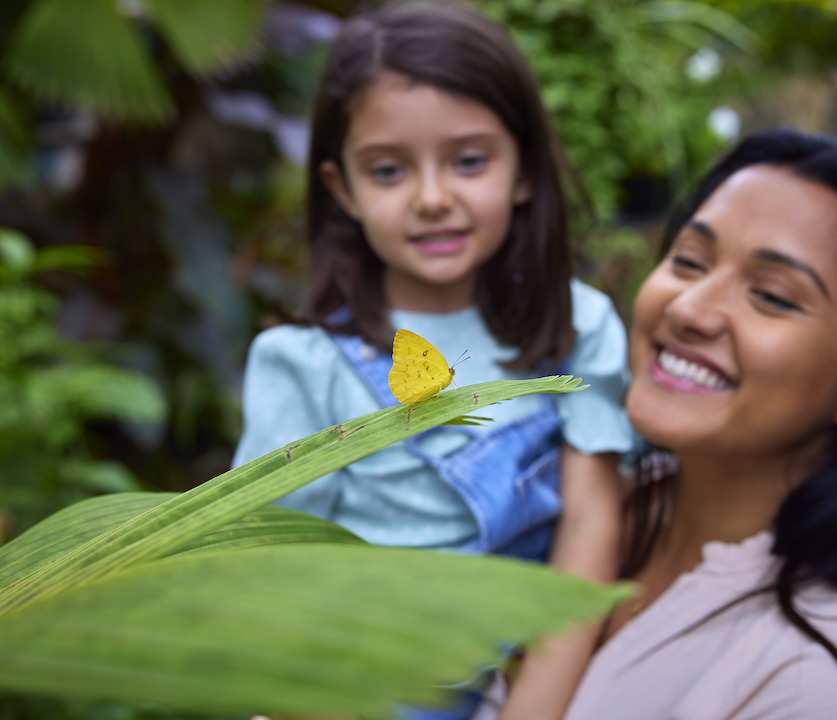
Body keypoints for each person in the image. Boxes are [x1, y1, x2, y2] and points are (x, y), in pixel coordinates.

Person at [477, 128, 837, 719]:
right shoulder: (576, 507)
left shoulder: (822, 685)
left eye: (771, 296)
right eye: (690, 262)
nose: (688, 308)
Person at [232, 3, 634, 718]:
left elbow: (590, 525)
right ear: (340, 188)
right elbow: (275, 572)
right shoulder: (305, 362)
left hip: (526, 684)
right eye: (388, 170)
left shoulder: (578, 326)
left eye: (469, 160)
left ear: (525, 171)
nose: (432, 198)